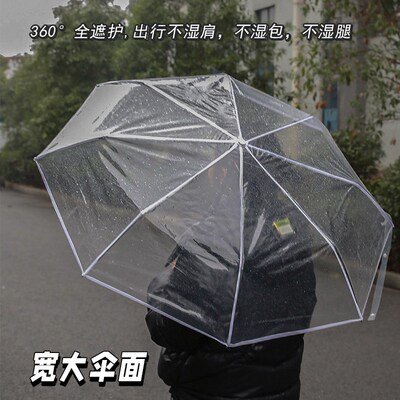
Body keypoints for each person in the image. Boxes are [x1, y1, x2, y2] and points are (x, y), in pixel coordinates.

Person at [145, 150, 316, 400]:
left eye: (214, 162)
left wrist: (165, 280)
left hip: (210, 391)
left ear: (227, 171)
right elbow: (302, 307)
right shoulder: (292, 231)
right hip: (278, 390)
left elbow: (168, 329)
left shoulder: (210, 241)